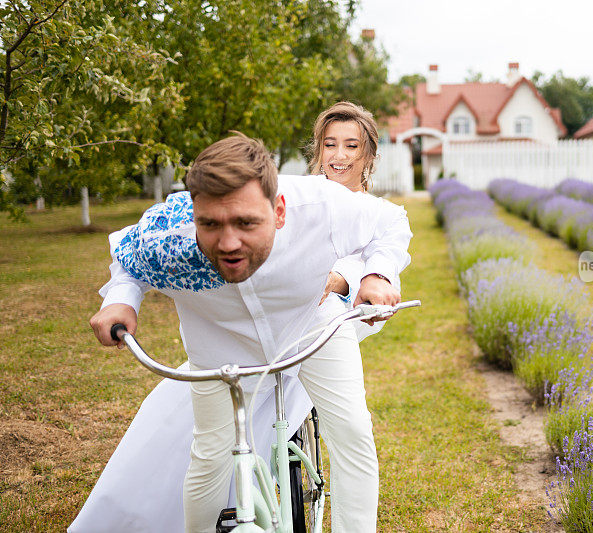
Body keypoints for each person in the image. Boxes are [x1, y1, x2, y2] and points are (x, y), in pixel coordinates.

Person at [81, 128, 411, 533]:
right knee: (209, 457)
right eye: (211, 224)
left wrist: (377, 274)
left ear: (281, 211)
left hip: (311, 323)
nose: (229, 242)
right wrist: (121, 299)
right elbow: (127, 263)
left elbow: (392, 222)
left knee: (353, 434)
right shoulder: (168, 236)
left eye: (246, 222)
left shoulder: (321, 207)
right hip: (219, 346)